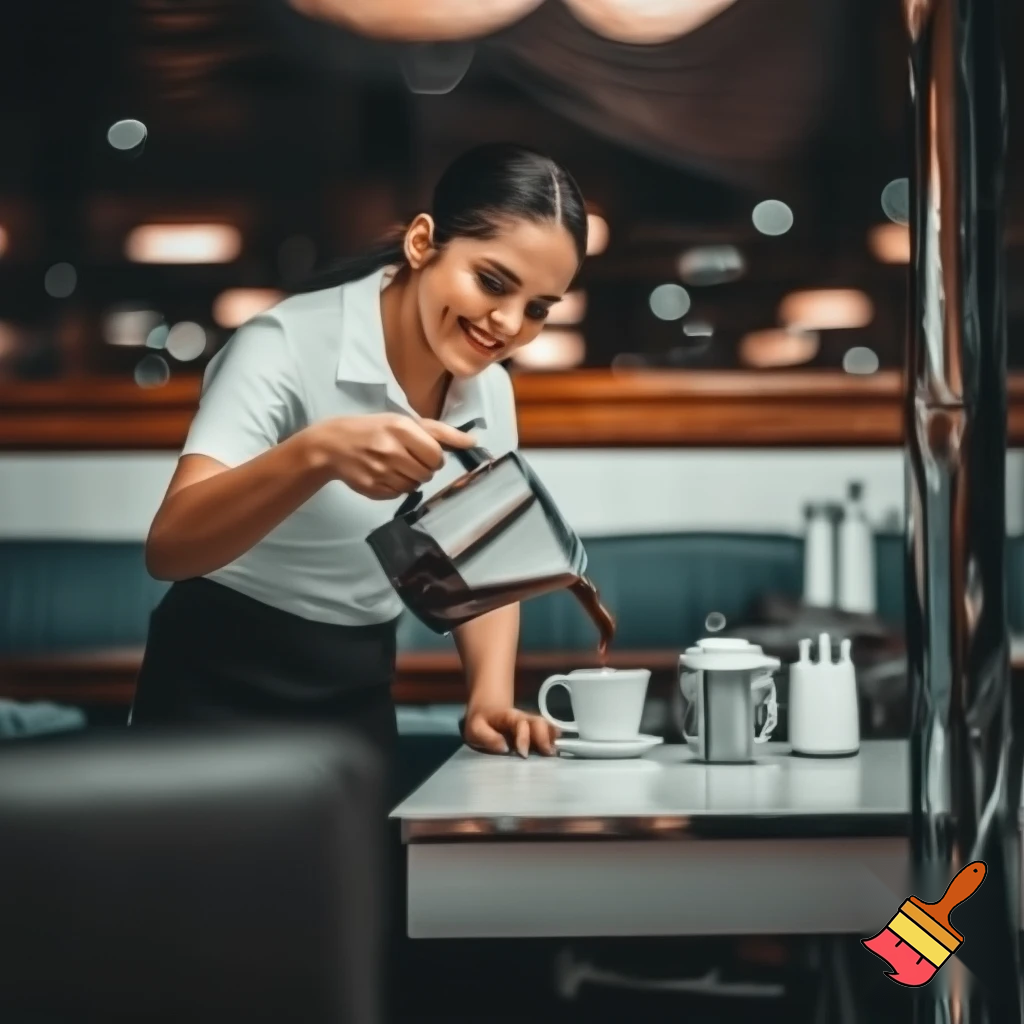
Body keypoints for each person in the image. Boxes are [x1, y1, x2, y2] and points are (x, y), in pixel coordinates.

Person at [131, 143, 588, 779]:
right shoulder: (281, 346)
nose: (509, 323)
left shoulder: (489, 388)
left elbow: (482, 553)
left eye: (539, 307)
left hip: (356, 689)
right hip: (215, 685)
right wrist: (317, 454)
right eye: (492, 281)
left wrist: (488, 696)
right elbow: (169, 549)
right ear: (424, 242)